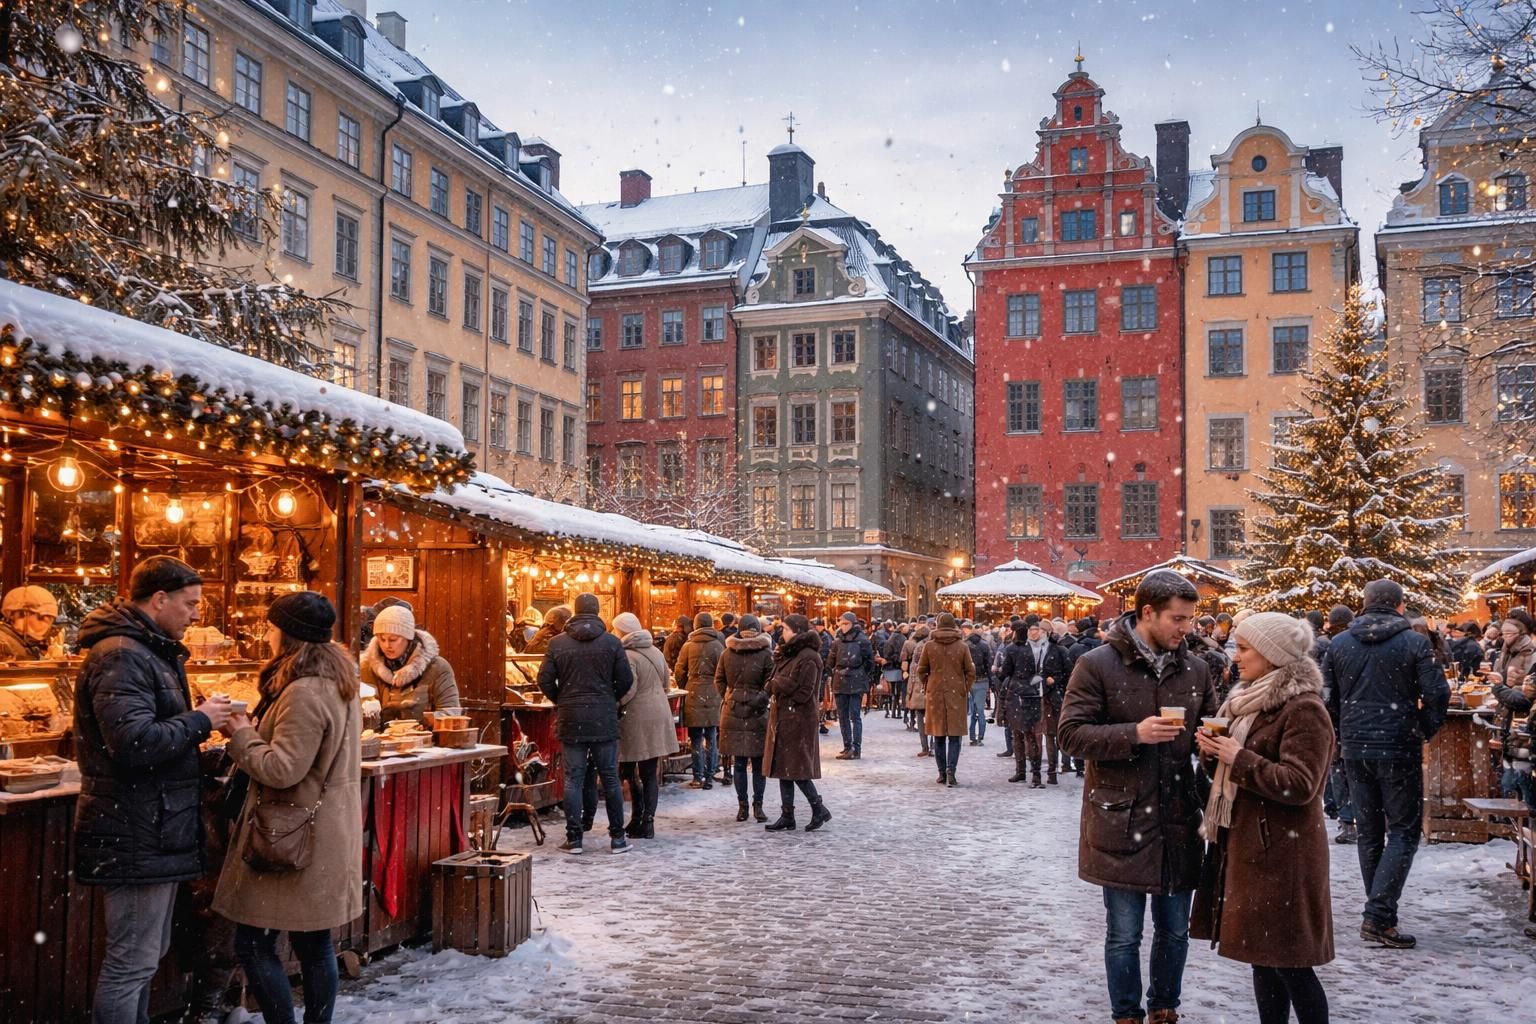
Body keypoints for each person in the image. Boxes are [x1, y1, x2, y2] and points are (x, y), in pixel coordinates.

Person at [73, 556, 235, 1024]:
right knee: (132, 960)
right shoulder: (123, 655)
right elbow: (133, 742)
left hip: (150, 824)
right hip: (135, 826)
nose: (196, 614)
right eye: (190, 603)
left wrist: (198, 741)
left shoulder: (148, 651)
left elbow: (149, 737)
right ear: (159, 600)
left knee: (146, 953)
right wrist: (201, 720)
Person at [1058, 570, 1215, 1024]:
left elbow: (1206, 726)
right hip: (1121, 818)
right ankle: (1125, 1014)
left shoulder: (1197, 668)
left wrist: (1212, 743)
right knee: (1124, 934)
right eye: (1178, 619)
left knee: (1175, 932)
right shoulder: (1097, 664)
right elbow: (1070, 734)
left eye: (1190, 619)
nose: (1186, 629)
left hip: (1179, 817)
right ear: (1148, 613)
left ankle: (1165, 1009)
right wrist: (1135, 733)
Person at [214, 592, 362, 1024]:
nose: (267, 634)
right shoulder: (336, 682)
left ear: (289, 636)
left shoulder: (305, 692)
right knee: (314, 944)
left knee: (254, 943)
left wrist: (241, 733)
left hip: (290, 836)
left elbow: (282, 769)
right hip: (322, 831)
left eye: (271, 627)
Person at [1190, 612, 1335, 1024]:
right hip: (1252, 849)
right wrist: (1212, 752)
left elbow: (1300, 785)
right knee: (1262, 958)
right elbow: (1233, 772)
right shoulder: (1246, 701)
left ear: (1271, 655)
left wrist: (1238, 758)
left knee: (1290, 963)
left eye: (1244, 648)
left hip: (1285, 856)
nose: (1236, 656)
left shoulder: (1304, 708)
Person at [1322, 578, 1449, 948]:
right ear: (1399, 606)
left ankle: (1380, 914)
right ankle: (1378, 915)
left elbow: (1326, 696)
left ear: (1364, 604)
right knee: (1405, 831)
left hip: (1356, 749)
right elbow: (1437, 693)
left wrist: (1343, 732)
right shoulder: (1414, 641)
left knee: (1371, 831)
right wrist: (1422, 728)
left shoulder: (1340, 644)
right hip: (1397, 746)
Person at [537, 593, 635, 855]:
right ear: (597, 611)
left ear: (574, 613)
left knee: (573, 780)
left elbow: (544, 680)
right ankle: (617, 838)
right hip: (603, 717)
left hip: (571, 718)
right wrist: (608, 698)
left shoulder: (558, 644)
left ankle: (575, 838)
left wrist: (562, 698)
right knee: (610, 779)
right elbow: (625, 680)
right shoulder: (612, 643)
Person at [612, 612, 679, 840]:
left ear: (622, 631)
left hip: (636, 718)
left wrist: (614, 701)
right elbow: (666, 684)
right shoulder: (656, 652)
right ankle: (647, 821)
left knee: (630, 770)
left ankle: (638, 817)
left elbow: (628, 690)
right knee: (650, 772)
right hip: (659, 714)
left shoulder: (628, 656)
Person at [762, 614, 831, 832]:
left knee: (797, 769)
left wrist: (778, 684)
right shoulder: (788, 654)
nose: (782, 632)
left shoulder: (809, 657)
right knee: (783, 768)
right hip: (784, 717)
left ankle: (818, 808)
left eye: (785, 629)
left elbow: (804, 692)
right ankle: (787, 815)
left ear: (797, 631)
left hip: (799, 719)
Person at [359, 603, 461, 725]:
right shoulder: (366, 667)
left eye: (393, 639)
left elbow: (451, 714)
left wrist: (417, 720)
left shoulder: (437, 668)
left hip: (426, 741)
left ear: (408, 638)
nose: (387, 645)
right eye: (382, 639)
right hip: (378, 741)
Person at [999, 619, 1071, 786]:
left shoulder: (1014, 649)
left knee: (1022, 734)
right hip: (1034, 694)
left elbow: (1005, 673)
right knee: (1032, 736)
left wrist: (1002, 674)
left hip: (1020, 694)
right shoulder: (1038, 649)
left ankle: (1024, 771)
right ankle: (1035, 774)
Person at [716, 613, 774, 822]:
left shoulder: (727, 652)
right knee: (758, 764)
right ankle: (757, 806)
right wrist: (761, 698)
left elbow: (719, 680)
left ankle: (743, 807)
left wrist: (729, 696)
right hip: (757, 713)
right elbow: (771, 682)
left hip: (732, 710)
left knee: (739, 763)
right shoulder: (766, 653)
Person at [919, 612, 975, 788]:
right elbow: (970, 671)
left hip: (935, 694)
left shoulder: (929, 646)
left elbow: (921, 669)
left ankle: (942, 773)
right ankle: (951, 771)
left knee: (939, 735)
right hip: (955, 694)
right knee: (955, 736)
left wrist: (929, 683)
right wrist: (964, 688)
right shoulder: (962, 646)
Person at [1488, 609, 1536, 807]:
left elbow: (1525, 698)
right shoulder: (1506, 652)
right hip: (1513, 724)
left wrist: (1499, 688)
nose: (1506, 637)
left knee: (1517, 779)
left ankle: (1519, 824)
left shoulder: (1528, 654)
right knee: (1511, 774)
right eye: (1504, 633)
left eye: (1511, 633)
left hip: (1522, 727)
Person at [1319, 603, 1357, 843]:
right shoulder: (1353, 643)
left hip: (1338, 720)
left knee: (1339, 773)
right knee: (1353, 773)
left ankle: (1346, 820)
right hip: (1356, 719)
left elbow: (1326, 688)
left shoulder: (1335, 645)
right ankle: (1360, 819)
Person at [674, 611, 726, 788]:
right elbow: (723, 671)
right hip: (713, 692)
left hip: (694, 691)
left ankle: (698, 775)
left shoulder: (688, 646)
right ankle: (710, 774)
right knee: (711, 735)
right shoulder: (718, 646)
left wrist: (686, 684)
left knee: (696, 738)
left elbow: (680, 670)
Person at [829, 611, 875, 760]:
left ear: (852, 624)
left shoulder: (862, 641)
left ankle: (856, 747)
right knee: (842, 716)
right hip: (841, 680)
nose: (843, 626)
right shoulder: (837, 642)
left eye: (846, 623)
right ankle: (847, 746)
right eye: (841, 623)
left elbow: (869, 661)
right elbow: (830, 661)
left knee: (854, 716)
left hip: (855, 681)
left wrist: (860, 674)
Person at [0, 584, 58, 659]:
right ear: (22, 613)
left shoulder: (24, 642)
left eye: (51, 620)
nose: (48, 626)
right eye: (43, 618)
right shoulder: (3, 644)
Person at [964, 621, 993, 747]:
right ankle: (980, 736)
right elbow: (989, 665)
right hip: (982, 681)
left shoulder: (965, 645)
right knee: (980, 711)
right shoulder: (985, 646)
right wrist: (991, 683)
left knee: (972, 711)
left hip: (969, 681)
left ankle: (972, 736)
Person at [904, 625, 931, 755]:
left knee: (921, 717)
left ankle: (925, 746)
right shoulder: (935, 645)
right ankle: (932, 746)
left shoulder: (919, 647)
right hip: (932, 686)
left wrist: (910, 691)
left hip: (920, 687)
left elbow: (914, 671)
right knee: (933, 719)